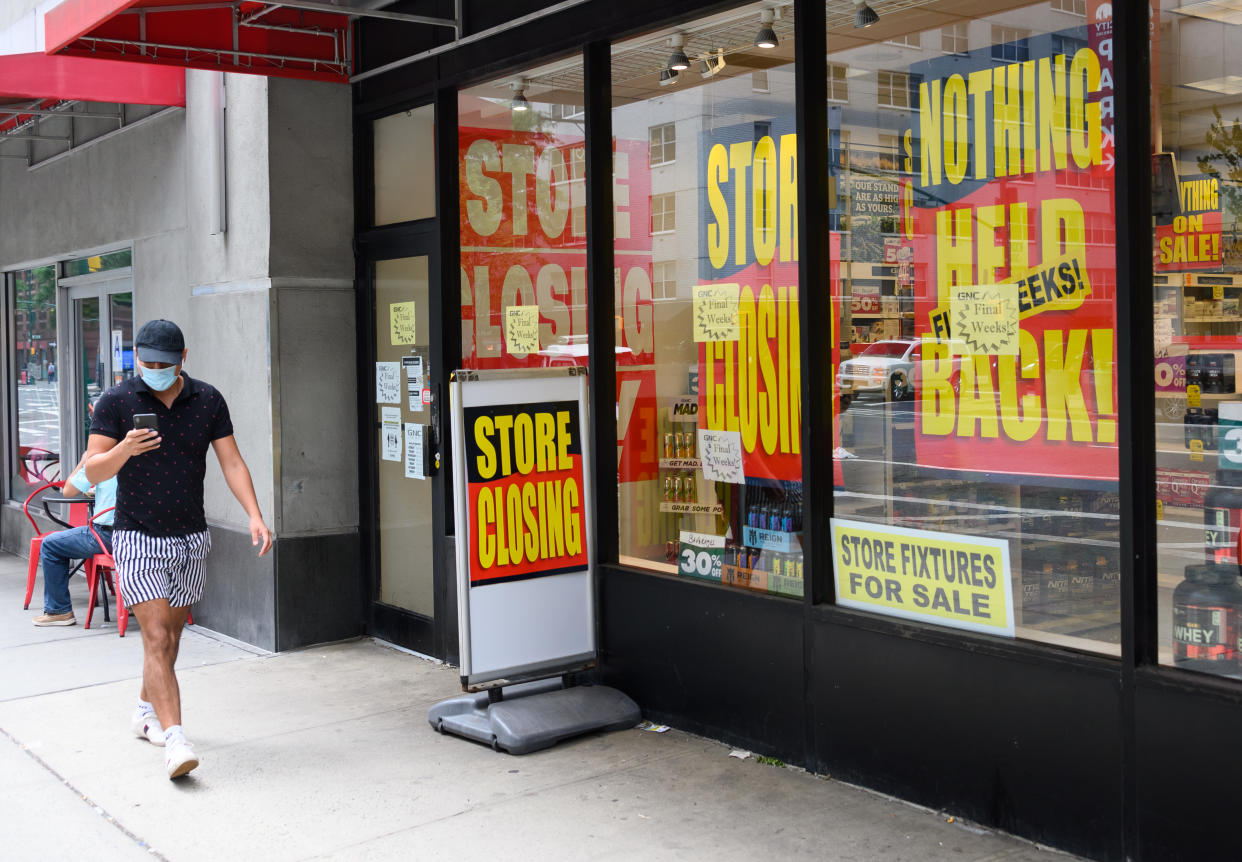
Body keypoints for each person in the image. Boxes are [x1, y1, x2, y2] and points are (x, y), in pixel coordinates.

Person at [85, 319, 272, 779]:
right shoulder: (117, 401)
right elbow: (92, 472)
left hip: (190, 536)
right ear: (136, 357)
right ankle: (176, 742)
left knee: (170, 640)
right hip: (136, 535)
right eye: (146, 363)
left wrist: (254, 513)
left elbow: (231, 460)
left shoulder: (207, 399)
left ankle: (144, 712)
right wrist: (126, 448)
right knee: (157, 638)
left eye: (163, 365)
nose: (154, 370)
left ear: (182, 359)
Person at [31, 453, 117, 627]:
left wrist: (85, 459)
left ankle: (59, 611)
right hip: (146, 536)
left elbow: (68, 490)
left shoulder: (101, 459)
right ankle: (133, 602)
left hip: (108, 536)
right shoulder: (146, 458)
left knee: (50, 545)